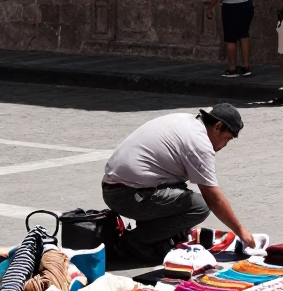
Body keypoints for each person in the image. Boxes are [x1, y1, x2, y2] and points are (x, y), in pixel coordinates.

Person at [102, 103, 255, 264]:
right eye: (226, 139)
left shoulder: (186, 120)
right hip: (126, 195)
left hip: (119, 187)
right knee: (199, 206)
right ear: (217, 126)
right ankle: (132, 243)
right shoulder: (199, 143)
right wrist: (241, 231)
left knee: (180, 191)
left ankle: (152, 237)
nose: (224, 145)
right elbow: (214, 198)